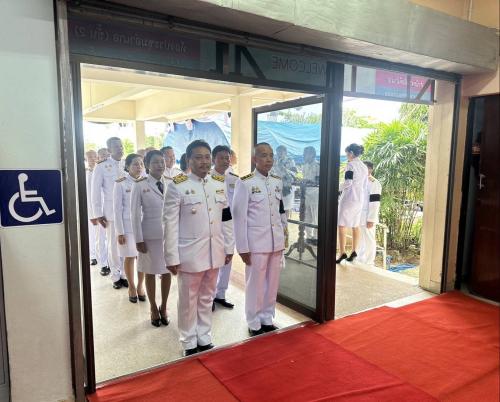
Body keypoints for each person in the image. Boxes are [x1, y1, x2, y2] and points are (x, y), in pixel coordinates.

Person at [163, 140, 234, 356]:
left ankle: (204, 336)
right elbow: (170, 224)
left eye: (207, 157)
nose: (204, 161)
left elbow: (226, 217)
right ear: (189, 160)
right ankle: (188, 341)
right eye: (198, 157)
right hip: (189, 254)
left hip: (215, 251)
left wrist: (229, 246)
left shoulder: (218, 183)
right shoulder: (177, 185)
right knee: (188, 300)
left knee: (207, 297)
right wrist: (171, 256)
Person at [232, 142, 287, 336]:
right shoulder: (245, 182)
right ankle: (254, 321)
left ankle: (267, 317)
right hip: (256, 243)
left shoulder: (277, 181)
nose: (268, 159)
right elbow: (239, 217)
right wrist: (242, 248)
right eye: (263, 155)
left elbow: (280, 211)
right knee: (255, 284)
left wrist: (284, 236)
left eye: (271, 155)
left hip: (275, 242)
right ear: (254, 159)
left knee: (272, 283)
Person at [131, 150, 171, 327]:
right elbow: (134, 214)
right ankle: (153, 307)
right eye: (155, 162)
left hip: (169, 236)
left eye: (162, 161)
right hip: (149, 237)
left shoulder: (171, 182)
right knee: (150, 272)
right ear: (147, 165)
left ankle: (164, 306)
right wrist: (138, 239)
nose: (160, 165)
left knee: (167, 271)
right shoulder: (140, 184)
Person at [91, 137, 127, 288]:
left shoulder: (127, 164)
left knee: (126, 244)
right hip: (111, 213)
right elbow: (95, 191)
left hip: (127, 212)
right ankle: (115, 275)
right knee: (113, 245)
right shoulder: (101, 166)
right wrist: (98, 213)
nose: (120, 149)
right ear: (109, 150)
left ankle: (125, 274)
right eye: (116, 147)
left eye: (121, 146)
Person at [114, 154, 146, 303]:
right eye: (135, 164)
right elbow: (117, 209)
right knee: (130, 256)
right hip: (127, 226)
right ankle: (131, 287)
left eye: (141, 164)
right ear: (127, 166)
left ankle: (140, 286)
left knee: (142, 257)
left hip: (143, 225)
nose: (139, 167)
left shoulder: (145, 182)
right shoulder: (121, 183)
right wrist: (120, 232)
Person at [210, 145, 238, 311]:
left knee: (227, 260)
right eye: (221, 157)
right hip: (213, 226)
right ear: (214, 159)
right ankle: (210, 296)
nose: (225, 160)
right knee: (214, 262)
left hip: (230, 225)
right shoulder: (208, 179)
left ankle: (221, 294)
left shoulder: (235, 179)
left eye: (227, 157)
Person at [336, 143, 369, 264]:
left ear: (351, 153)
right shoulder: (364, 167)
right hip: (359, 199)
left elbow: (348, 182)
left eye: (347, 154)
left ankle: (342, 252)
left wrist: (336, 187)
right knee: (355, 225)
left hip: (349, 198)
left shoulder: (350, 165)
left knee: (341, 225)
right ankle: (354, 250)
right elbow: (365, 185)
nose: (346, 156)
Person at [358, 161, 382, 266]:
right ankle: (360, 259)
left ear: (370, 170)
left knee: (369, 239)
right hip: (359, 216)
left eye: (364, 168)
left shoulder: (374, 183)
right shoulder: (359, 181)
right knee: (361, 239)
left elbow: (375, 202)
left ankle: (369, 262)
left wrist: (371, 219)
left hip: (368, 216)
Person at [272, 145, 297, 217]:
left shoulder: (290, 160)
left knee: (286, 207)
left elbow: (294, 174)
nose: (279, 154)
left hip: (286, 188)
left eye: (281, 152)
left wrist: (285, 169)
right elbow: (272, 171)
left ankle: (285, 223)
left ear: (285, 152)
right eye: (277, 152)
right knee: (276, 207)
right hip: (276, 187)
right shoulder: (274, 161)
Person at [302, 146, 320, 245]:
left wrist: (308, 181)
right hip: (306, 194)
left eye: (306, 154)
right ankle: (308, 237)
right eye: (304, 153)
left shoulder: (318, 165)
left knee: (316, 216)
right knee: (307, 216)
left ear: (312, 154)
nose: (304, 156)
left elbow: (319, 181)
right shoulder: (304, 166)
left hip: (315, 195)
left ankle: (316, 238)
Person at [85, 150, 99, 267]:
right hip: (89, 208)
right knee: (91, 233)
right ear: (86, 159)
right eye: (90, 157)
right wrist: (91, 213)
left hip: (100, 208)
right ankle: (93, 256)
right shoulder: (85, 173)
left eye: (94, 156)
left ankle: (102, 258)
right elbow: (87, 195)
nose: (93, 159)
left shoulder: (100, 171)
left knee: (101, 235)